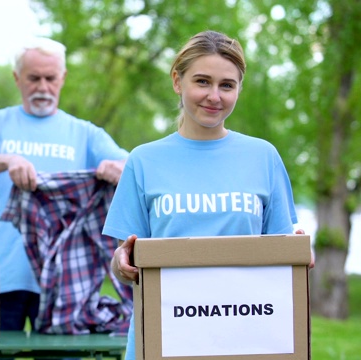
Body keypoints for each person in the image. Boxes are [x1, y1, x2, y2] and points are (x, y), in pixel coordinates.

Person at [102, 30, 313, 360]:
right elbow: (124, 260)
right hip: (163, 337)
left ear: (238, 89)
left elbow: (279, 251)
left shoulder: (263, 156)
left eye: (227, 85)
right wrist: (121, 263)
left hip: (247, 337)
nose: (214, 96)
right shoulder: (143, 160)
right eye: (202, 81)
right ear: (177, 81)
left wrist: (297, 254)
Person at [0, 36, 129, 334]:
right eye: (33, 78)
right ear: (17, 78)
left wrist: (117, 169)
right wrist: (8, 161)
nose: (42, 87)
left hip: (65, 283)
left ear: (63, 78)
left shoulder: (85, 133)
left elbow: (134, 170)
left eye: (50, 78)